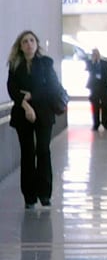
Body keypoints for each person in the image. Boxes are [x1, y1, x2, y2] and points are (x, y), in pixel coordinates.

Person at [8, 31, 65, 209]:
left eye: (32, 40)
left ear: (37, 44)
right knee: (27, 154)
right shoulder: (15, 65)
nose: (29, 44)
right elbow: (12, 89)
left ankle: (45, 194)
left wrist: (32, 95)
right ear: (20, 46)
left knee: (42, 151)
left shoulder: (46, 64)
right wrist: (26, 106)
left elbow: (53, 88)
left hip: (44, 113)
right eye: (25, 41)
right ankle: (29, 197)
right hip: (22, 115)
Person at [85, 48, 107, 131]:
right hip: (94, 87)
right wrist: (93, 62)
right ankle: (96, 123)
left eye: (96, 53)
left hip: (104, 86)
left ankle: (105, 122)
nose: (95, 55)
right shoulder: (90, 63)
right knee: (95, 106)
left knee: (105, 105)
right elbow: (88, 70)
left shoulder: (105, 63)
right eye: (94, 54)